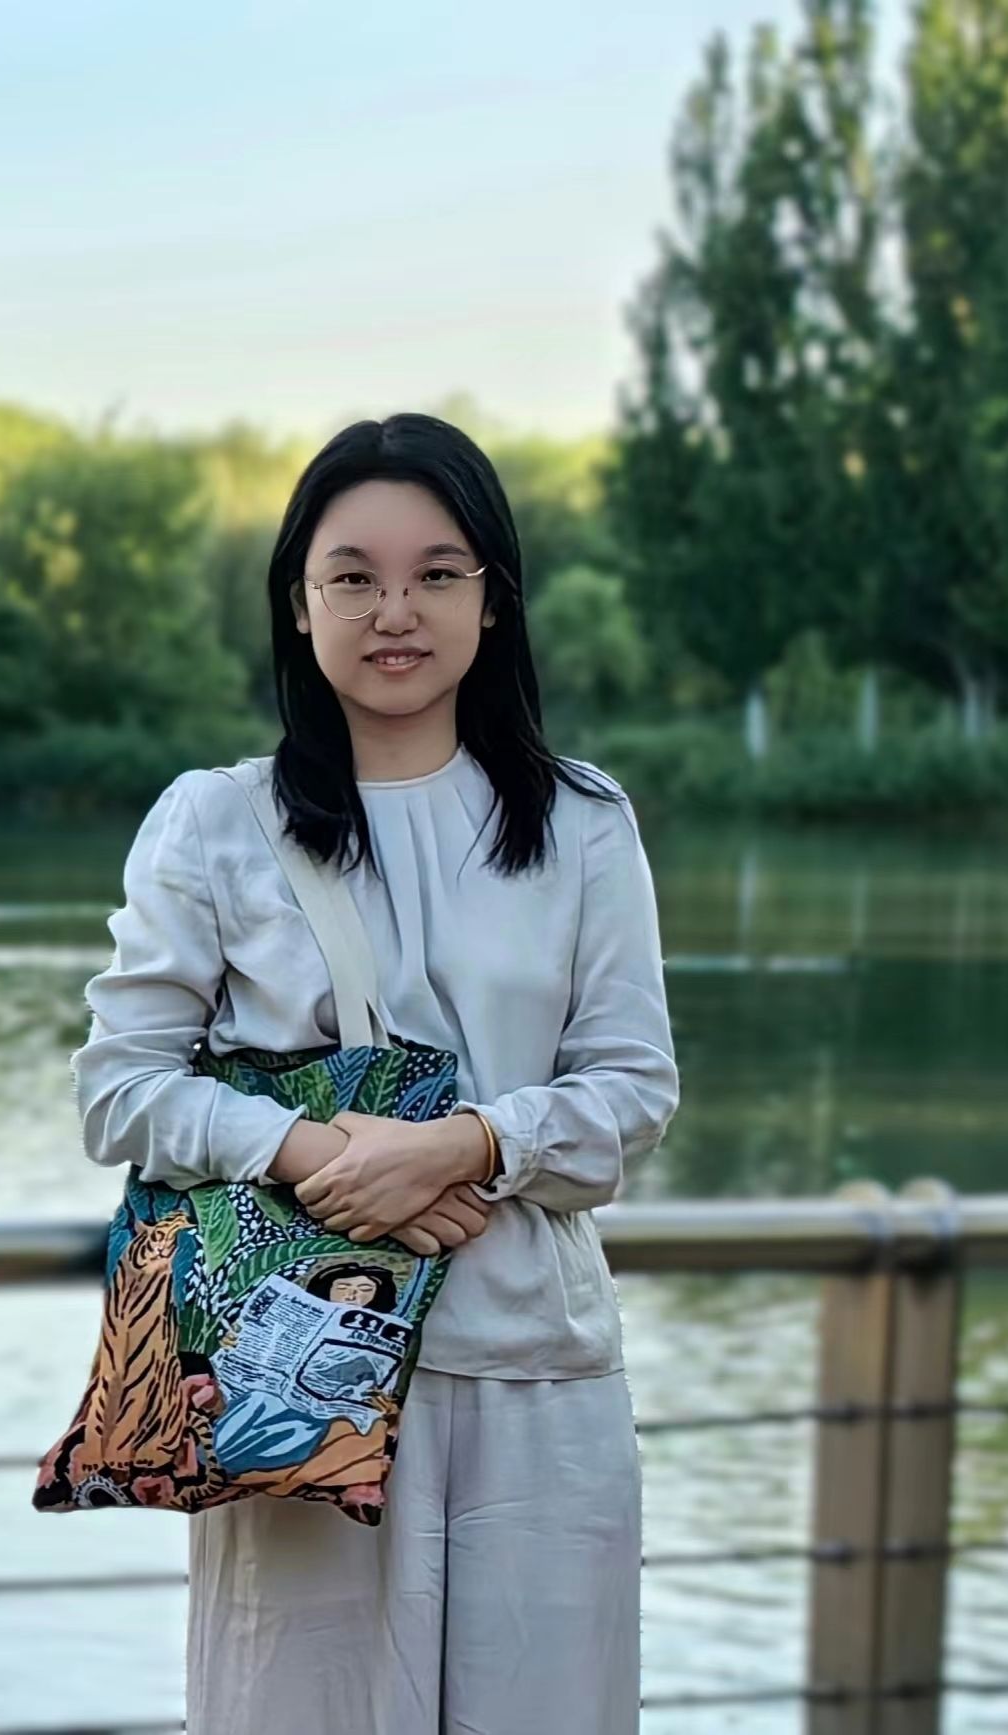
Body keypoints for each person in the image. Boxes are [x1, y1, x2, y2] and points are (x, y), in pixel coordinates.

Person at [69, 411, 680, 1734]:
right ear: (299, 603)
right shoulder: (215, 822)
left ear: (492, 599)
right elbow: (120, 1088)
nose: (394, 611)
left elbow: (632, 1091)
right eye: (352, 576)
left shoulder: (580, 823)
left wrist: (461, 1146)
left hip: (537, 1373)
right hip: (294, 1386)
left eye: (436, 574)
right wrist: (322, 1157)